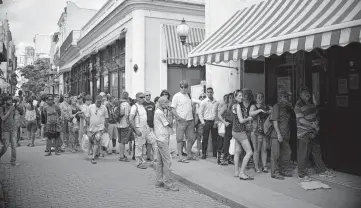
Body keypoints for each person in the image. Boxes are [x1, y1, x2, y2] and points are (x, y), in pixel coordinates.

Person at [295, 86, 334, 181]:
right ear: (300, 94)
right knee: (303, 154)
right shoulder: (298, 105)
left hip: (313, 132)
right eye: (304, 92)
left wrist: (316, 123)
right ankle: (302, 174)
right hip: (304, 132)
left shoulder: (311, 103)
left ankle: (322, 170)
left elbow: (316, 115)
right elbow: (301, 120)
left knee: (316, 152)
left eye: (308, 92)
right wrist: (312, 126)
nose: (307, 94)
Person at [154, 97, 179, 191]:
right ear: (161, 103)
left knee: (160, 162)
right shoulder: (160, 113)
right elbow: (169, 124)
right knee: (167, 161)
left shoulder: (160, 112)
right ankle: (167, 183)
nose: (168, 104)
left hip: (160, 138)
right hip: (162, 139)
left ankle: (159, 181)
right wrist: (171, 114)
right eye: (166, 102)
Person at [129, 92, 157, 169]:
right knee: (139, 146)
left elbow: (145, 118)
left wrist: (148, 127)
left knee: (154, 141)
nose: (143, 98)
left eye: (143, 97)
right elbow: (130, 119)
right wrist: (136, 130)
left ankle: (155, 160)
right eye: (141, 97)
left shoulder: (143, 106)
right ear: (137, 98)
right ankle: (139, 163)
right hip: (139, 128)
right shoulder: (134, 107)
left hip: (146, 128)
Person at [171, 80, 197, 163]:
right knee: (180, 139)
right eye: (182, 87)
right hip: (181, 121)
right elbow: (173, 109)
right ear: (180, 87)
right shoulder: (176, 96)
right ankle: (180, 156)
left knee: (190, 138)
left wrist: (194, 117)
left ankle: (189, 154)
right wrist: (179, 118)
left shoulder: (189, 95)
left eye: (185, 87)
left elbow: (191, 107)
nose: (184, 89)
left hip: (190, 120)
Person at [269, 90, 293, 180]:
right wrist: (278, 134)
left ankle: (283, 170)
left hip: (285, 134)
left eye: (287, 97)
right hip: (276, 134)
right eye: (285, 97)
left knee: (287, 153)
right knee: (276, 154)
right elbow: (275, 121)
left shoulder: (287, 108)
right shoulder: (276, 107)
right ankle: (275, 172)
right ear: (280, 98)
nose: (287, 99)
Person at [232, 89, 254, 180]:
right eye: (239, 96)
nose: (242, 97)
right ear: (236, 97)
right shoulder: (238, 106)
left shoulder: (234, 105)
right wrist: (249, 118)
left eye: (242, 95)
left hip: (235, 131)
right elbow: (241, 120)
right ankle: (242, 173)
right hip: (240, 132)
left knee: (237, 152)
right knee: (249, 152)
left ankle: (236, 172)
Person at [249, 92, 271, 173]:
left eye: (262, 97)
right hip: (256, 131)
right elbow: (250, 113)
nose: (260, 99)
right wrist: (260, 110)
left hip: (264, 131)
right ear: (256, 99)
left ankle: (264, 166)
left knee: (264, 149)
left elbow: (272, 111)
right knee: (256, 150)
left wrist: (269, 111)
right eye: (258, 97)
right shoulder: (253, 107)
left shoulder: (266, 107)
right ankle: (256, 166)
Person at [0, 96, 23, 166]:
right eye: (8, 100)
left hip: (13, 129)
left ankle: (13, 161)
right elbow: (3, 118)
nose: (10, 101)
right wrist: (10, 111)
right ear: (5, 101)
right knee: (6, 146)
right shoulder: (2, 108)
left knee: (14, 145)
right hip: (5, 130)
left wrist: (17, 107)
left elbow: (19, 113)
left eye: (10, 100)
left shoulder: (13, 107)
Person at [85, 95, 109, 164]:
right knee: (92, 141)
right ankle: (96, 153)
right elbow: (87, 117)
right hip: (91, 128)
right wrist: (88, 124)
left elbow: (106, 118)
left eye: (100, 102)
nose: (99, 103)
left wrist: (105, 126)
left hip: (100, 128)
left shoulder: (104, 108)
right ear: (95, 100)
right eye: (98, 101)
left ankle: (93, 157)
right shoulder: (90, 107)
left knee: (96, 141)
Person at [199, 87, 219, 160]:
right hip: (206, 122)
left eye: (211, 92)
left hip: (214, 122)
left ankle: (215, 153)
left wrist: (216, 121)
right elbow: (200, 113)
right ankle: (204, 153)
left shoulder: (216, 102)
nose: (210, 93)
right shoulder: (203, 102)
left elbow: (217, 112)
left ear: (213, 93)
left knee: (215, 138)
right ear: (207, 93)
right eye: (208, 92)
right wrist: (203, 122)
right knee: (205, 138)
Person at [217, 93, 234, 165]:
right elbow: (219, 115)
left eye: (232, 98)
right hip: (228, 125)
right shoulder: (226, 106)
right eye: (230, 98)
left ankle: (230, 158)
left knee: (232, 143)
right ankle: (222, 158)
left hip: (234, 125)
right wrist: (224, 122)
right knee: (226, 142)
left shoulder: (236, 106)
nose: (231, 99)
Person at [116, 91, 131, 162]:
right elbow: (127, 115)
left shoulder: (119, 103)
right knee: (123, 141)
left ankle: (121, 155)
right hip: (124, 124)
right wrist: (129, 123)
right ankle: (122, 156)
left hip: (118, 124)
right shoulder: (126, 104)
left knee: (120, 140)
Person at [143, 91, 156, 161]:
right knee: (142, 141)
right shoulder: (143, 104)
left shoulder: (152, 104)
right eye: (147, 95)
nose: (148, 96)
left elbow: (154, 113)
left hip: (151, 124)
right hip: (144, 124)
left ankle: (148, 156)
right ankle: (137, 155)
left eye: (149, 95)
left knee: (150, 141)